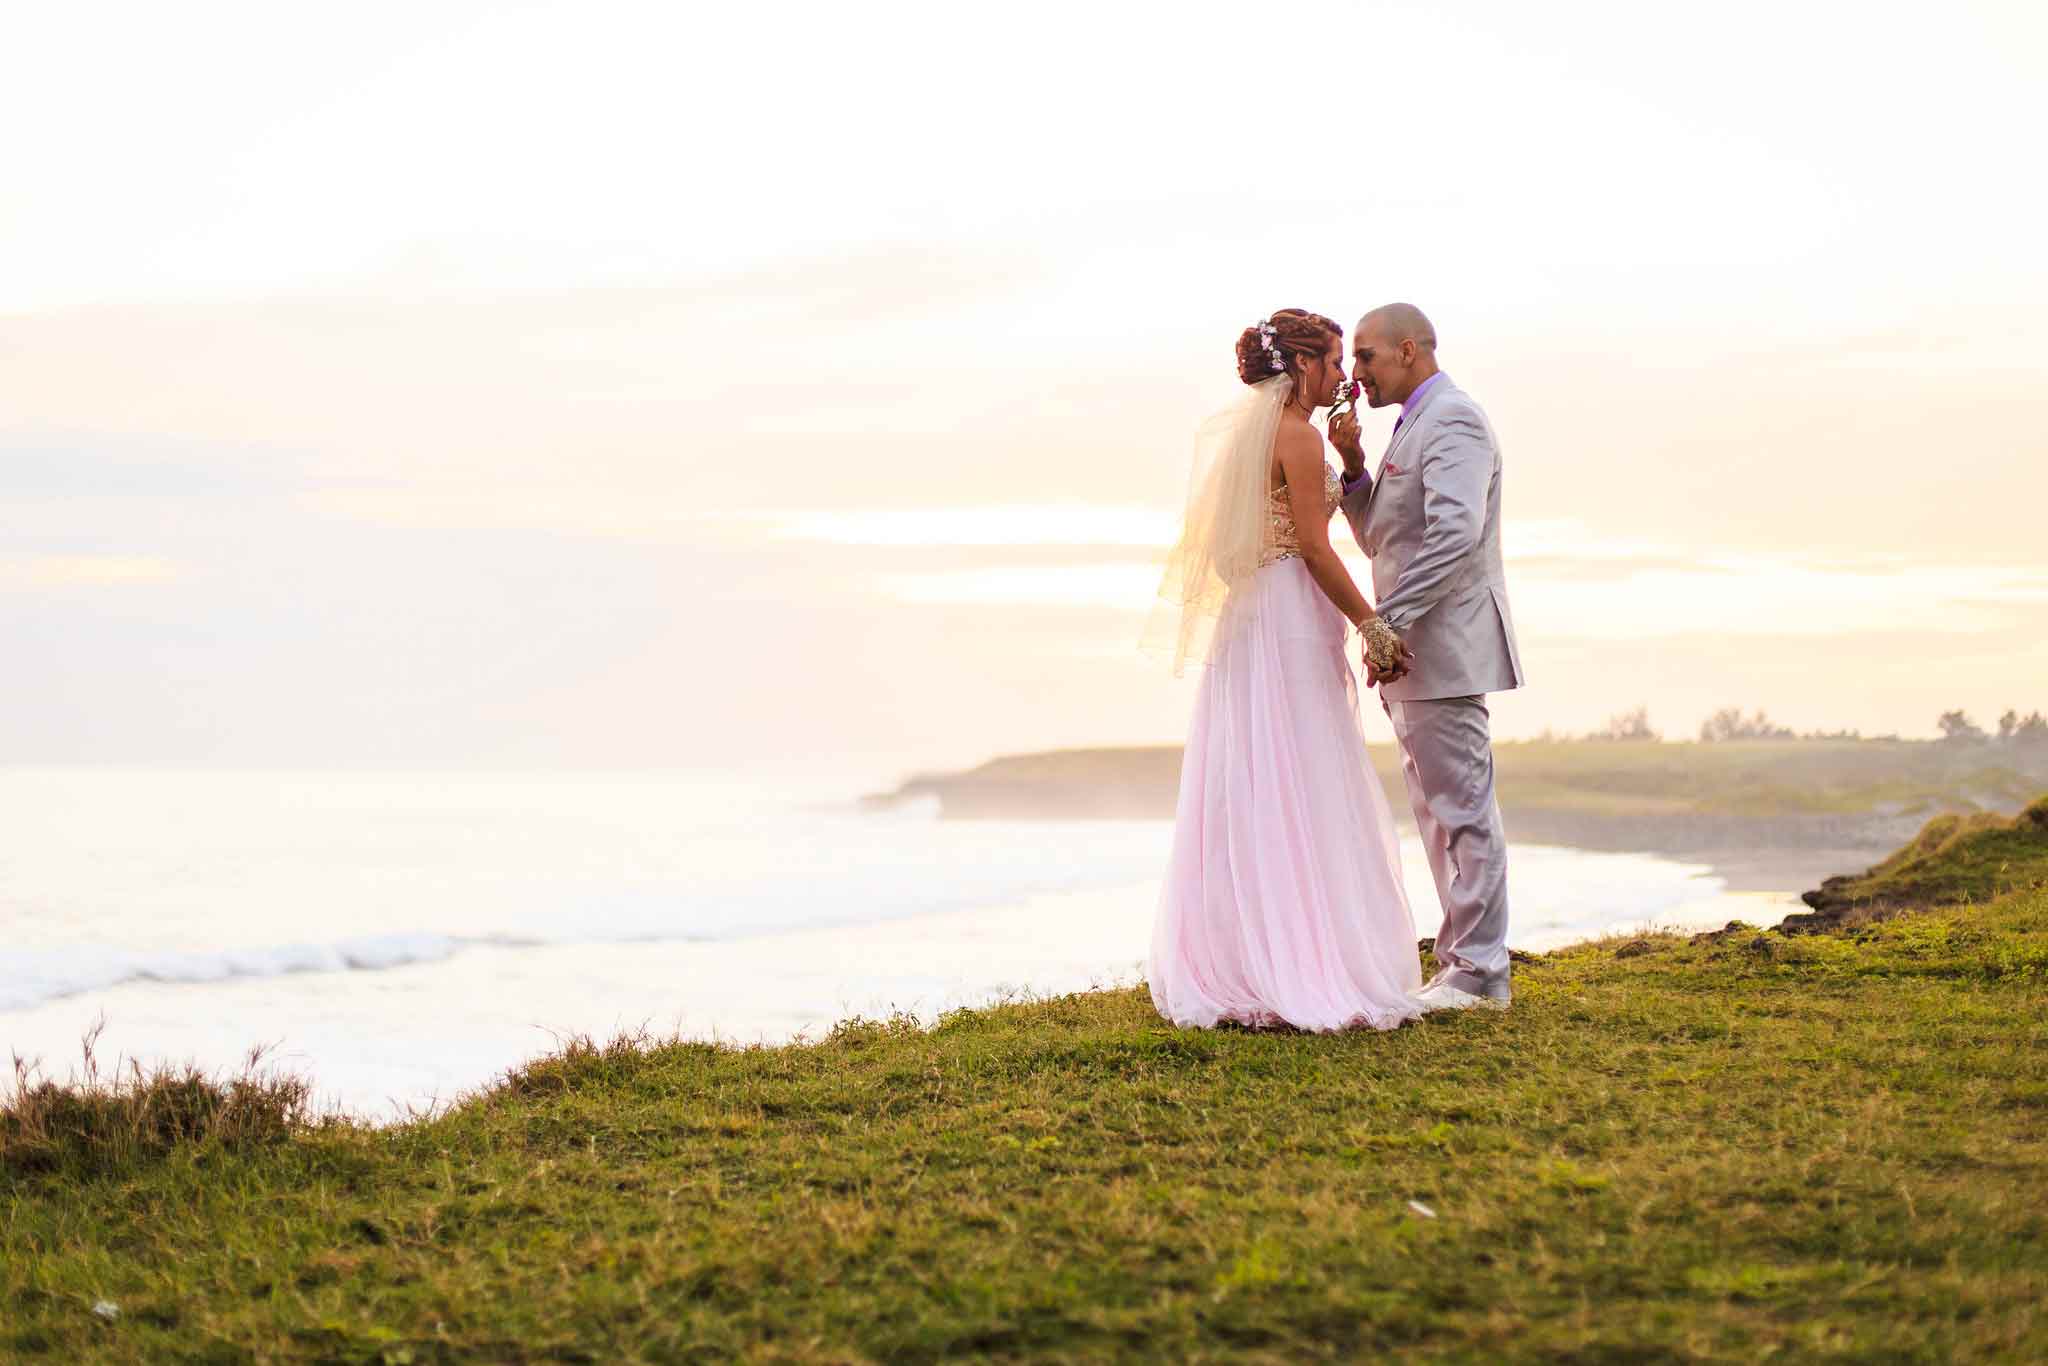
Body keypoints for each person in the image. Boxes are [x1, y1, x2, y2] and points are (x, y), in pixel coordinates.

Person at [1146, 309, 1425, 1032]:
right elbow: (1315, 547)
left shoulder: (1258, 437)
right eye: (1333, 362)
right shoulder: (1295, 437)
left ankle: (1248, 957)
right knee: (1304, 770)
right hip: (1290, 616)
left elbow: (1239, 547)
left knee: (1256, 775)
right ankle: (1302, 964)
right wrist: (1373, 621)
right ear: (1302, 367)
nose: (1342, 376)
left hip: (1253, 615)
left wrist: (1351, 461)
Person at [1331, 303, 1524, 1009]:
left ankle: (1480, 973)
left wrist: (1389, 623)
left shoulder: (1454, 420)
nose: (1356, 374)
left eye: (1366, 357)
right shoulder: (1410, 424)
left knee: (1463, 810)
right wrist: (1353, 469)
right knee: (1439, 811)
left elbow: (1456, 533)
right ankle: (1461, 964)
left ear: (1409, 350)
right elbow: (1384, 537)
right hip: (1415, 653)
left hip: (1442, 644)